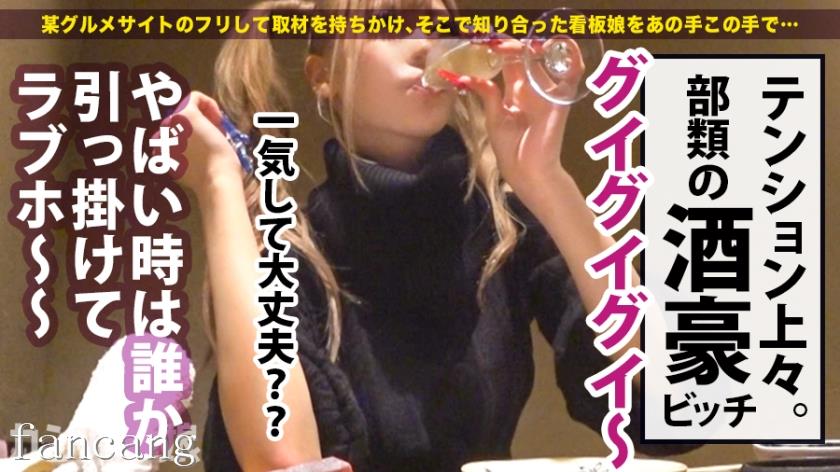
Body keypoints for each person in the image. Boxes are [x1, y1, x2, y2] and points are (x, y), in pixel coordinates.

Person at [170, 0, 700, 470]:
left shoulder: (505, 227)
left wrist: (544, 177)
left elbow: (677, 401)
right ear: (321, 75)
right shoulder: (295, 257)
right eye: (391, 24)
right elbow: (283, 462)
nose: (427, 45)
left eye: (440, 26)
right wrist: (219, 183)